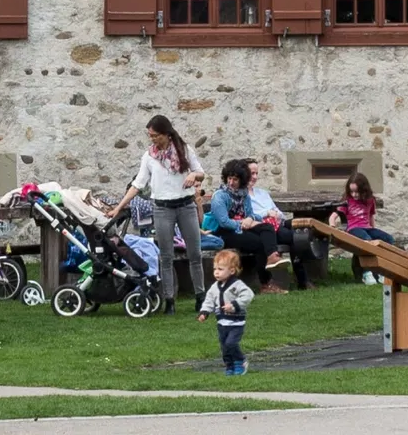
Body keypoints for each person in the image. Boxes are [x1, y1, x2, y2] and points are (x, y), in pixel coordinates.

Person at [115, 114, 206, 314]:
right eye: (150, 136)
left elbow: (201, 172)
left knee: (195, 254)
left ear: (166, 134)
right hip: (162, 207)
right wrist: (119, 207)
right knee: (165, 256)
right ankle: (169, 300)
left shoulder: (184, 150)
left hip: (185, 205)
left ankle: (201, 297)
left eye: (155, 135)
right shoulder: (149, 156)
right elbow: (138, 184)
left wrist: (192, 175)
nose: (153, 139)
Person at [207, 160, 280, 290]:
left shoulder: (244, 195)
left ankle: (272, 256)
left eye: (235, 179)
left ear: (242, 180)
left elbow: (252, 214)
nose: (231, 182)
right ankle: (266, 283)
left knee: (267, 228)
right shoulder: (220, 196)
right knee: (258, 243)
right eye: (229, 178)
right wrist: (242, 223)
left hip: (241, 228)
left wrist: (250, 218)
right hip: (224, 232)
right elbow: (224, 222)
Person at [245, 158, 310, 290]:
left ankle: (302, 279)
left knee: (297, 235)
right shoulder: (241, 195)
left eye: (256, 173)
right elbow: (249, 215)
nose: (255, 177)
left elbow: (279, 213)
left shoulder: (262, 193)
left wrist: (276, 214)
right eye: (252, 173)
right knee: (282, 237)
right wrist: (267, 213)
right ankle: (270, 283)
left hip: (275, 225)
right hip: (259, 228)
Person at [327, 169, 395, 283]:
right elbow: (333, 217)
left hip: (367, 228)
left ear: (364, 189)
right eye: (352, 192)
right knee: (367, 241)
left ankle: (382, 270)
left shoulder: (370, 200)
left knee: (388, 239)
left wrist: (374, 230)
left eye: (357, 192)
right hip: (354, 229)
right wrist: (332, 228)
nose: (354, 194)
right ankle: (367, 273)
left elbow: (371, 216)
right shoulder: (347, 201)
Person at [198, 248, 254, 375]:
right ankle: (229, 366)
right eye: (215, 269)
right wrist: (204, 312)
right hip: (222, 323)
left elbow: (248, 295)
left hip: (236, 323)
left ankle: (240, 362)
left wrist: (234, 305)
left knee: (231, 343)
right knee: (224, 346)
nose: (216, 273)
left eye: (220, 269)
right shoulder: (214, 287)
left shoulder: (237, 285)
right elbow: (209, 300)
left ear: (232, 270)